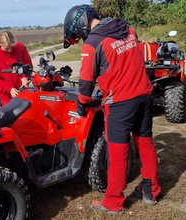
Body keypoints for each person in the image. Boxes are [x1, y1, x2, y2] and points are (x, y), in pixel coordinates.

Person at [63, 5, 161, 213]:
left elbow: (86, 83)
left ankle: (113, 202)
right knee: (145, 143)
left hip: (120, 103)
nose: (81, 39)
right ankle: (151, 191)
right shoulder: (128, 29)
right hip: (144, 95)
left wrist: (82, 103)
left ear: (80, 26)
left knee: (117, 152)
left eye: (78, 35)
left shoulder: (92, 44)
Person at [0, 31, 33, 106]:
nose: (10, 50)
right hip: (6, 96)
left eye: (12, 47)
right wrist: (9, 89)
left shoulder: (21, 48)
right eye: (6, 48)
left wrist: (25, 77)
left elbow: (28, 66)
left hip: (23, 90)